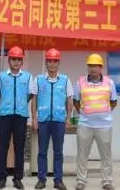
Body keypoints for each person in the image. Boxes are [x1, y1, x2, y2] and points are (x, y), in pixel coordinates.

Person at [30, 48, 73, 190]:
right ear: (46, 63)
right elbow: (34, 100)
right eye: (49, 61)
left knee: (58, 152)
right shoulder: (39, 79)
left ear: (58, 63)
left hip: (59, 121)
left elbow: (69, 100)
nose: (52, 64)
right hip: (43, 120)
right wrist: (34, 118)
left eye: (55, 61)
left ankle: (58, 180)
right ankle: (41, 180)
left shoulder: (65, 80)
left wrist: (68, 118)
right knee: (42, 151)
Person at [73, 53, 118, 190]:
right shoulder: (80, 82)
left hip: (104, 125)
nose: (93, 69)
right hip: (85, 124)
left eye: (96, 66)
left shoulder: (109, 82)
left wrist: (103, 113)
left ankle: (107, 181)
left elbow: (114, 102)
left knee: (106, 155)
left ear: (101, 68)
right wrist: (85, 113)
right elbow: (76, 101)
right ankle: (81, 180)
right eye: (90, 66)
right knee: (82, 154)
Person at [0, 46, 33, 190]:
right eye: (13, 59)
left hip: (21, 116)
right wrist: (7, 104)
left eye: (19, 59)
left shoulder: (28, 77)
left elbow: (30, 94)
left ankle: (18, 178)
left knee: (19, 147)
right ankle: (1, 177)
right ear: (9, 60)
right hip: (4, 116)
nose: (16, 62)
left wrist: (20, 104)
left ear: (22, 61)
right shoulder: (1, 76)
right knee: (2, 147)